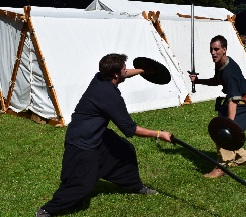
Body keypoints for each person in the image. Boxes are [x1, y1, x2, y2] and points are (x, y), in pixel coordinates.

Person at [36, 53, 172, 217]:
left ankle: (135, 186)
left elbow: (124, 73)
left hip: (97, 134)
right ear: (116, 74)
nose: (126, 71)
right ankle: (46, 210)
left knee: (124, 150)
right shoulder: (110, 96)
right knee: (83, 186)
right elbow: (130, 129)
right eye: (124, 69)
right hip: (82, 140)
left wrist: (143, 70)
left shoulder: (100, 77)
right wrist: (159, 134)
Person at [189, 35, 246, 178]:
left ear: (224, 49)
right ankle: (243, 158)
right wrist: (198, 81)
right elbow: (216, 80)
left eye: (216, 49)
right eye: (211, 49)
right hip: (238, 99)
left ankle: (221, 167)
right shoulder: (220, 64)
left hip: (242, 103)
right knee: (225, 127)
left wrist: (229, 124)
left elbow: (233, 101)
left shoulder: (230, 72)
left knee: (223, 131)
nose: (213, 52)